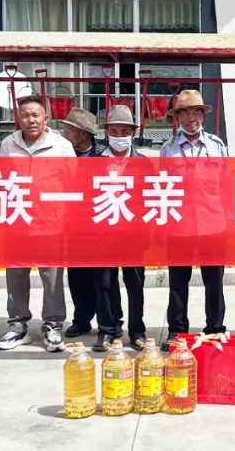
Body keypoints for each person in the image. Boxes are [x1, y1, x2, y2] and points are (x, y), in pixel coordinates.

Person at [0, 94, 75, 352]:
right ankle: (18, 326)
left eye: (35, 115)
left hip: (50, 224)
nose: (31, 120)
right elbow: (1, 180)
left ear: (45, 118)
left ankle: (52, 326)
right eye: (25, 115)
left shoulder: (61, 146)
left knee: (52, 278)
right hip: (17, 222)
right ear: (18, 118)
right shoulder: (8, 144)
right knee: (16, 276)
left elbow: (73, 182)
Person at [160, 89, 229, 351]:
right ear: (177, 117)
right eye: (186, 113)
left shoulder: (216, 145)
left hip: (213, 224)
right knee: (178, 282)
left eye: (197, 112)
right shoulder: (168, 148)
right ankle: (177, 330)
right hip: (179, 226)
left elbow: (226, 183)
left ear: (203, 115)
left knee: (215, 281)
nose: (192, 118)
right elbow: (162, 186)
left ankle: (215, 328)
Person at [93, 104, 148, 351]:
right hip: (103, 233)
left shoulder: (143, 163)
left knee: (135, 284)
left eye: (124, 131)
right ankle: (108, 329)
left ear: (132, 134)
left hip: (134, 235)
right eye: (114, 131)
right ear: (106, 133)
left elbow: (149, 199)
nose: (119, 136)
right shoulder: (94, 162)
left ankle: (137, 330)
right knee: (105, 284)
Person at [58, 107, 106, 340]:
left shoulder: (103, 155)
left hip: (99, 224)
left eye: (69, 130)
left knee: (101, 277)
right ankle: (81, 320)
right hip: (72, 224)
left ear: (84, 134)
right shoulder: (61, 154)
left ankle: (106, 322)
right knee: (77, 276)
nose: (65, 134)